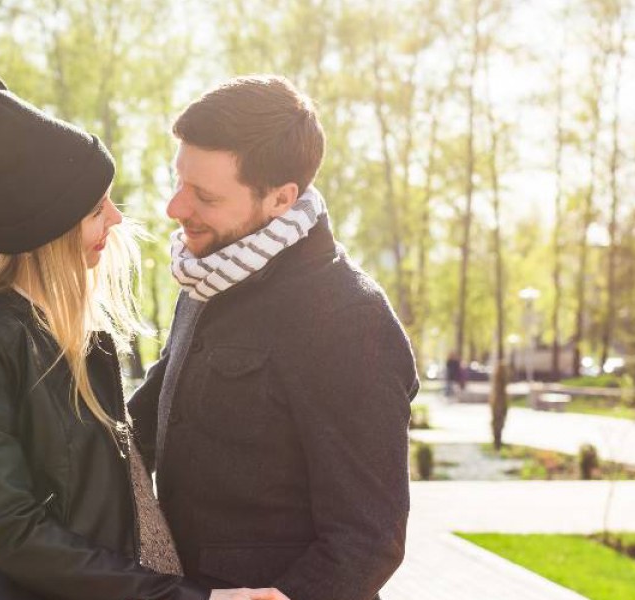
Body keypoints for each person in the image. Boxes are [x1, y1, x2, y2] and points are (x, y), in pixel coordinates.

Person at [0, 72, 278, 600]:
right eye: (95, 208)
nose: (116, 217)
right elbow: (15, 534)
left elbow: (127, 451)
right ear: (45, 229)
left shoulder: (70, 334)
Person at [129, 75, 420, 600]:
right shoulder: (207, 277)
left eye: (204, 195)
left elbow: (370, 536)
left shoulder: (348, 318)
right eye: (179, 182)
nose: (175, 208)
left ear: (281, 198)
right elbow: (144, 421)